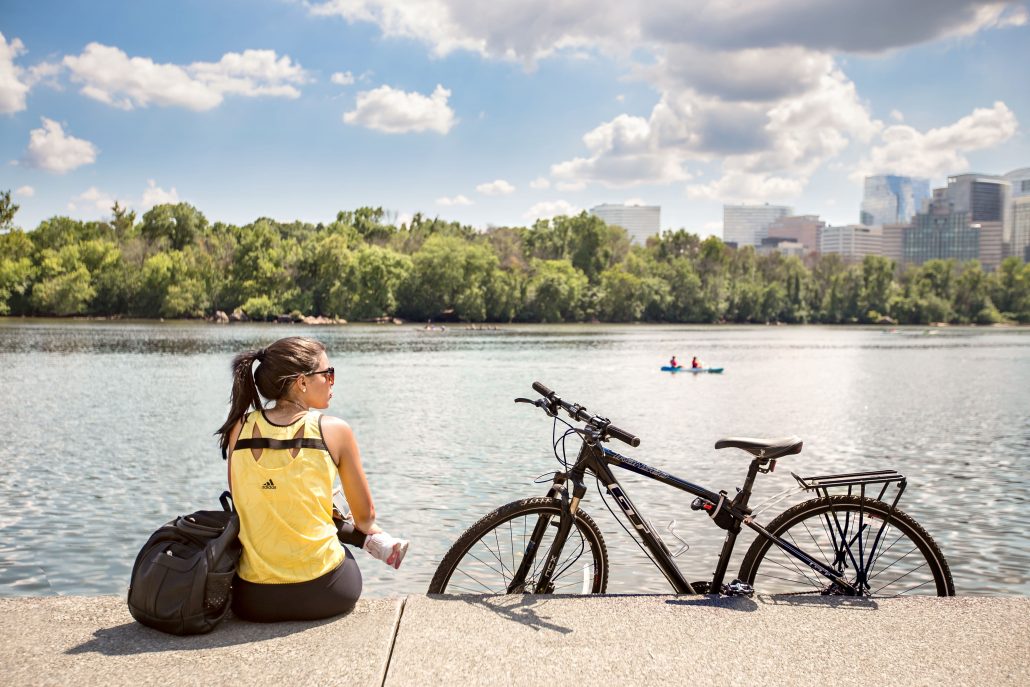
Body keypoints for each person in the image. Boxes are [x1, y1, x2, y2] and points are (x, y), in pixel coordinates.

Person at [216, 336, 408, 623]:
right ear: (302, 382)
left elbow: (249, 501)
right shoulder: (334, 430)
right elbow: (366, 517)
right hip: (325, 592)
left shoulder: (239, 428)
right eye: (327, 374)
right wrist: (366, 533)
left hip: (252, 599)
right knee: (331, 519)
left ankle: (367, 539)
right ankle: (377, 544)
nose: (332, 381)